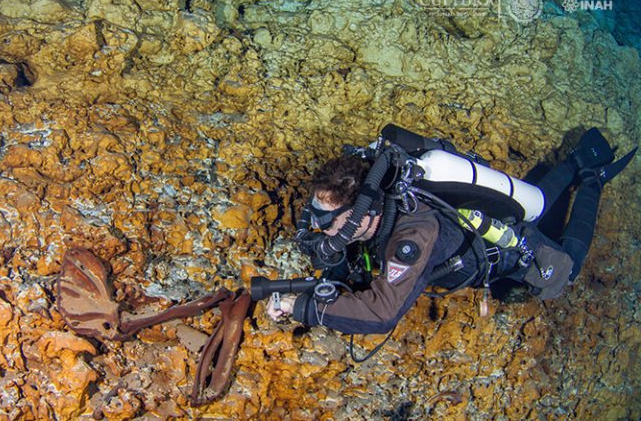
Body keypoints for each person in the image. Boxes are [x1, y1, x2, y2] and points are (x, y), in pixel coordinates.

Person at [267, 126, 637, 337]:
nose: (318, 227)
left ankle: (591, 178)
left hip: (505, 253)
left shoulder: (412, 237)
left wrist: (300, 306)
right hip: (477, 221)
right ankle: (574, 160)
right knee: (534, 200)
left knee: (565, 269)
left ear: (364, 213)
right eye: (314, 214)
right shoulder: (366, 198)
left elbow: (381, 314)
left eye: (328, 221)